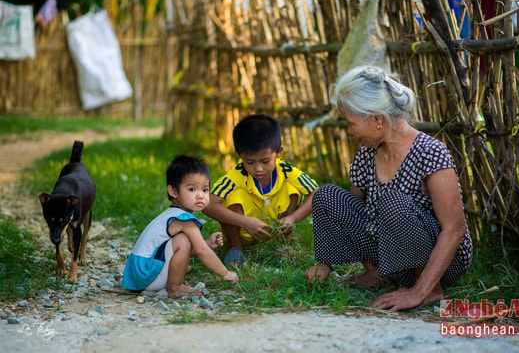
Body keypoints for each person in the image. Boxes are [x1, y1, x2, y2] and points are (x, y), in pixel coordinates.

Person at [304, 65, 473, 311]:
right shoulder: (367, 154)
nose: (349, 131)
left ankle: (430, 291)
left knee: (392, 201)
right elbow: (354, 214)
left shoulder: (430, 152)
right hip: (391, 257)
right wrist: (325, 262)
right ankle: (377, 275)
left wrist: (418, 291)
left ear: (376, 119)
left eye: (350, 123)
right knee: (327, 195)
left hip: (440, 265)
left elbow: (455, 229)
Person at [203, 114, 319, 265]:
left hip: (273, 229)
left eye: (265, 161)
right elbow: (208, 204)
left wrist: (293, 218)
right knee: (234, 195)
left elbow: (316, 192)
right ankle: (234, 246)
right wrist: (246, 222)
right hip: (244, 230)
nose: (258, 169)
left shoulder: (286, 170)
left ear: (279, 152)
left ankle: (281, 239)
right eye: (250, 162)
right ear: (239, 155)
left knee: (292, 189)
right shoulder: (237, 174)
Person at [122, 155, 238, 297]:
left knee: (182, 241)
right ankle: (175, 287)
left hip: (138, 273)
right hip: (145, 273)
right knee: (182, 240)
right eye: (191, 189)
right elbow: (202, 251)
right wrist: (225, 273)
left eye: (205, 190)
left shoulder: (173, 214)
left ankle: (171, 278)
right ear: (173, 191)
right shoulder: (184, 220)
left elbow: (175, 250)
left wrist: (206, 243)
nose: (200, 195)